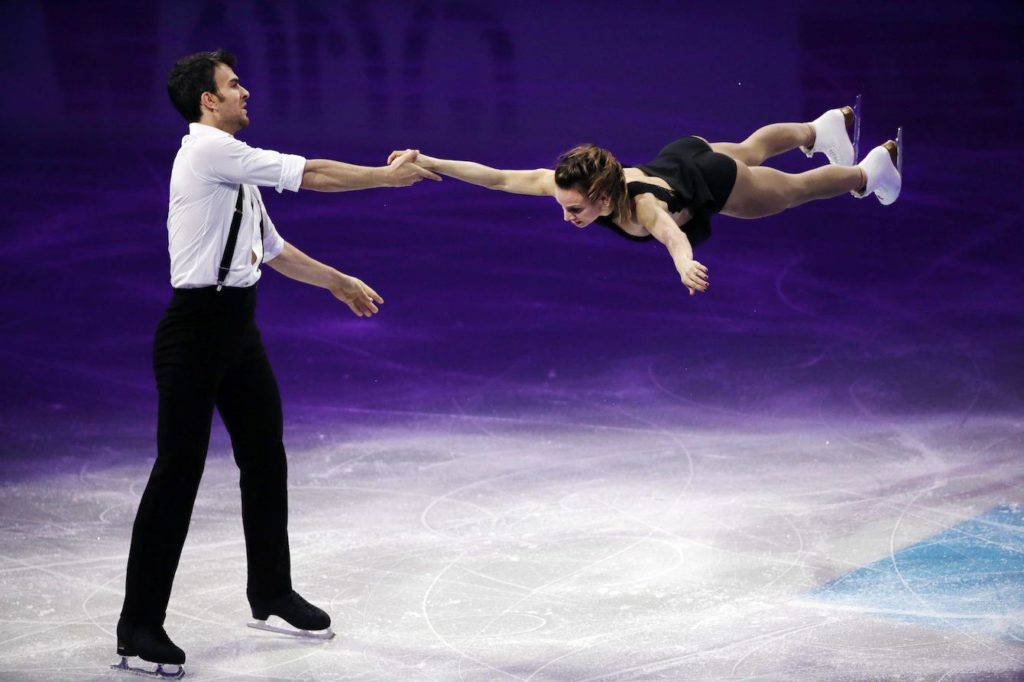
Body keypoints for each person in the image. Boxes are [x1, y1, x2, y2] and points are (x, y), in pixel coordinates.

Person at [114, 49, 440, 678]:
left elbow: (271, 249)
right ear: (208, 101)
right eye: (233, 86)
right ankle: (138, 626)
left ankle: (270, 590)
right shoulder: (209, 151)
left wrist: (337, 281)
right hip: (195, 330)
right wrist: (384, 176)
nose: (245, 93)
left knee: (264, 457)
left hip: (237, 330)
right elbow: (312, 174)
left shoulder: (231, 171)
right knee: (177, 474)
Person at [389, 103, 901, 295]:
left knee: (790, 192)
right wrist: (431, 161)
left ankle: (867, 170)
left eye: (575, 209)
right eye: (565, 205)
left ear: (603, 193)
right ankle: (819, 127)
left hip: (711, 183)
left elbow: (671, 233)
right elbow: (498, 178)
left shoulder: (640, 207)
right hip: (682, 154)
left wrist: (684, 266)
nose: (568, 216)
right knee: (751, 147)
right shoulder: (574, 186)